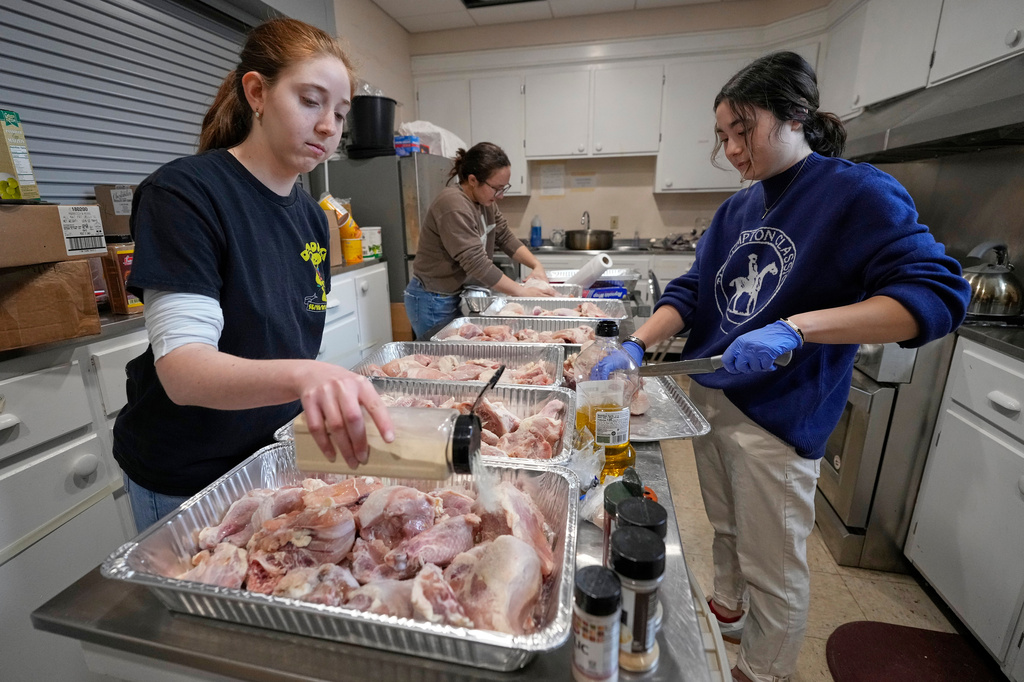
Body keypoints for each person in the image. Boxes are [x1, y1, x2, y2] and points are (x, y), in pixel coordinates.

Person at [600, 52, 969, 682]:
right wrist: (639, 342)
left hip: (781, 413)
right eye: (723, 137)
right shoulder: (739, 210)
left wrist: (798, 327)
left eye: (744, 130)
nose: (734, 148)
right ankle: (727, 609)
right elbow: (693, 291)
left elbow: (936, 296)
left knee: (774, 564)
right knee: (725, 526)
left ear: (794, 117)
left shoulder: (855, 192)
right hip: (716, 394)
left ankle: (763, 671)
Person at [113, 18, 393, 533]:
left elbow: (280, 340)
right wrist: (309, 377)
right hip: (188, 473)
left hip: (269, 457)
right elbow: (184, 371)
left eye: (340, 112)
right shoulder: (184, 194)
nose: (329, 126)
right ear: (257, 92)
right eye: (311, 101)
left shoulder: (313, 217)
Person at [405, 142, 554, 339]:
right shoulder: (453, 204)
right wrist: (521, 292)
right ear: (473, 180)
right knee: (439, 357)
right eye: (496, 188)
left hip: (450, 294)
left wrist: (536, 265)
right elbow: (477, 264)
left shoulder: (484, 202)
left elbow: (504, 236)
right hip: (432, 298)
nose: (500, 196)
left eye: (504, 188)